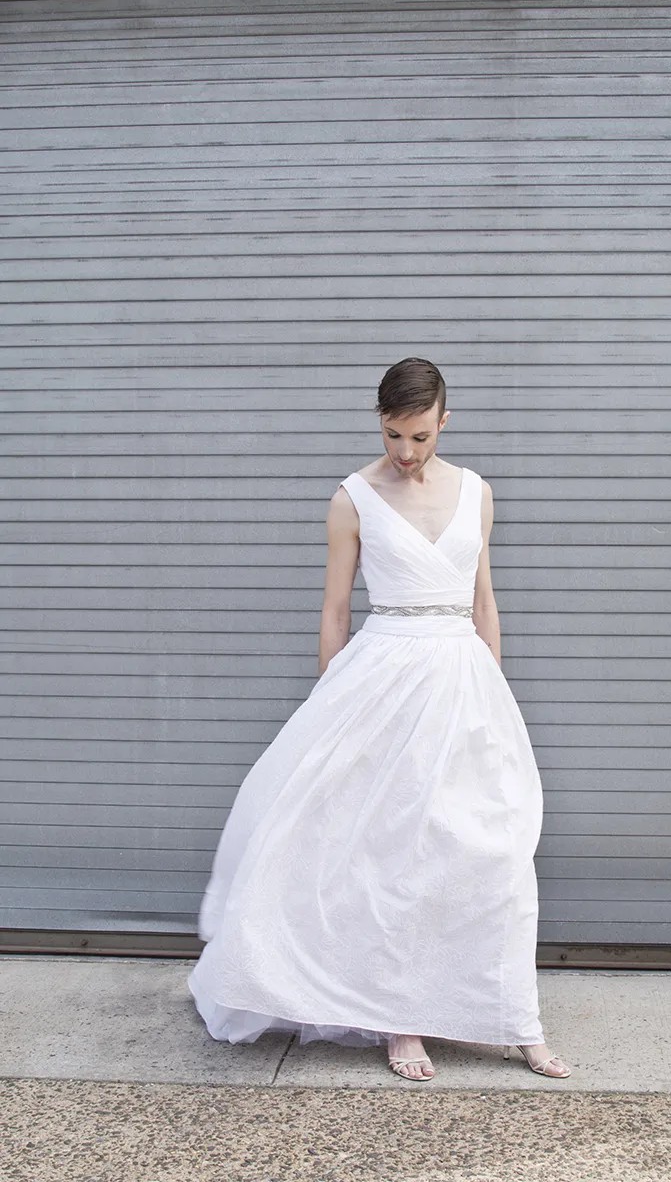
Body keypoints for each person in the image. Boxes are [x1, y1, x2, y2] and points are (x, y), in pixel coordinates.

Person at [188, 357, 571, 1083]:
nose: (406, 453)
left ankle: (517, 1019)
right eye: (395, 435)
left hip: (463, 678)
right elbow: (334, 612)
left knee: (492, 849)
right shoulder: (352, 498)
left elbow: (483, 599)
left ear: (444, 422)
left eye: (420, 437)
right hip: (382, 675)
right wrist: (331, 707)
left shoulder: (478, 493)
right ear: (381, 423)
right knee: (394, 852)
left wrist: (490, 681)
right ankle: (401, 1020)